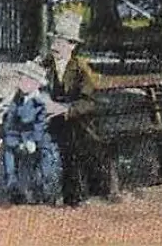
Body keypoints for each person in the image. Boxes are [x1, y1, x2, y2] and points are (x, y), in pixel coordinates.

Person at [40, 10, 104, 206]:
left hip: (78, 121)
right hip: (52, 120)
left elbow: (90, 102)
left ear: (72, 46)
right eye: (54, 41)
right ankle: (45, 192)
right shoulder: (45, 64)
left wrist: (66, 110)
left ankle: (74, 196)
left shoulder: (80, 69)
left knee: (74, 144)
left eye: (61, 42)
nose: (55, 46)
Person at [0, 60, 61, 204]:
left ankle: (42, 189)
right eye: (21, 78)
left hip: (38, 138)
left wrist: (32, 140)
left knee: (45, 156)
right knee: (9, 148)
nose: (21, 82)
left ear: (36, 83)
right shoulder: (16, 98)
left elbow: (41, 124)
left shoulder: (42, 100)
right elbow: (9, 118)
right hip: (19, 137)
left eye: (26, 79)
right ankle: (13, 186)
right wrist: (1, 134)